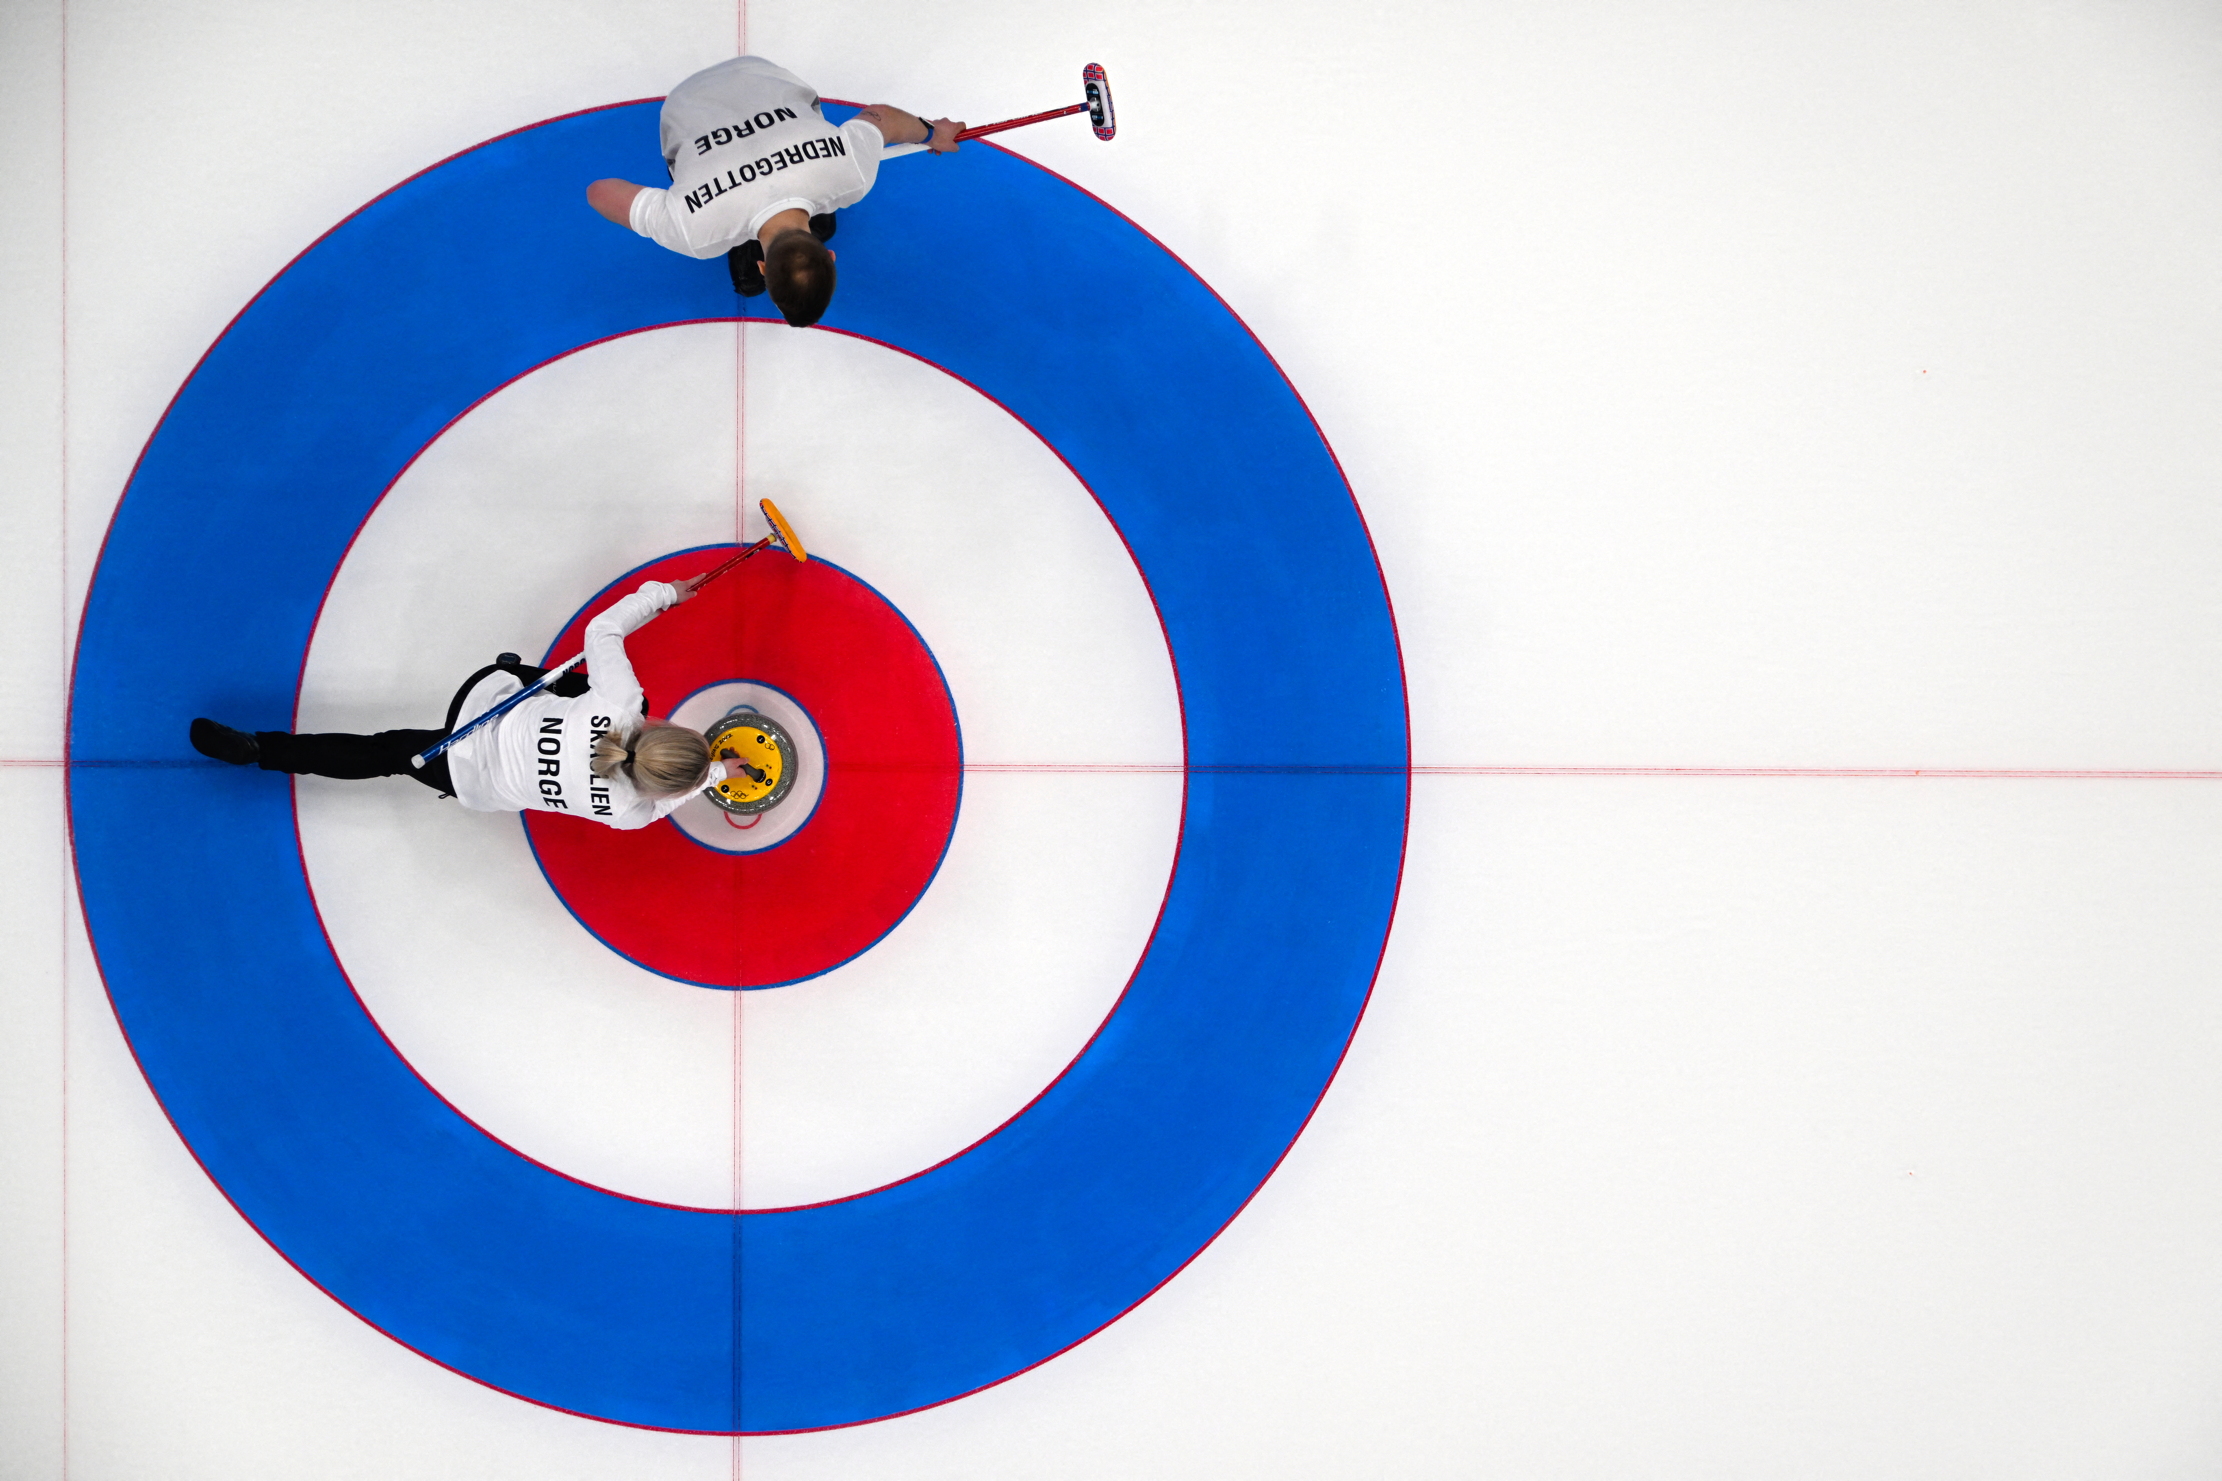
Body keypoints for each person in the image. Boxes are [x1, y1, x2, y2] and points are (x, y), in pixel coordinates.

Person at [188, 578, 731, 831]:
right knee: (380, 757)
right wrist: (711, 778)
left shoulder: (622, 704)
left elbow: (603, 629)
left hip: (480, 713)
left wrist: (664, 596)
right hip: (463, 773)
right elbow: (659, 808)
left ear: (660, 730)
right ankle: (261, 752)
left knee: (578, 686)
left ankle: (257, 746)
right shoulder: (629, 813)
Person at [585, 55, 964, 327]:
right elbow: (600, 192)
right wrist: (678, 209)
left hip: (760, 73)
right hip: (684, 101)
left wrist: (934, 132)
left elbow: (878, 117)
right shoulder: (694, 231)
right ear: (762, 269)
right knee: (714, 211)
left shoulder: (851, 175)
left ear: (830, 257)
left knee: (826, 187)